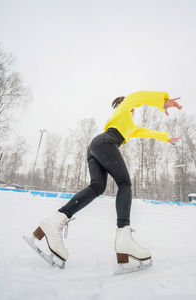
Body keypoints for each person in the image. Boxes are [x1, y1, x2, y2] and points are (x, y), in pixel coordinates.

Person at [33, 90, 182, 264]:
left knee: (97, 187)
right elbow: (137, 96)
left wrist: (166, 138)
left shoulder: (131, 127)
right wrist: (162, 101)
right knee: (125, 183)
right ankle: (124, 237)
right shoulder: (125, 108)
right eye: (133, 108)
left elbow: (147, 132)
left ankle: (55, 220)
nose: (134, 110)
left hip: (96, 147)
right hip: (105, 142)